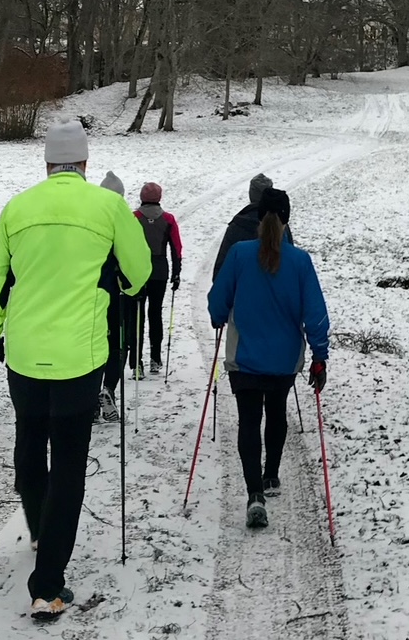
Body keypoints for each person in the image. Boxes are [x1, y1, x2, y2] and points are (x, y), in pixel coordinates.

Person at [0, 123, 150, 619]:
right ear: (85, 164)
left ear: (48, 164)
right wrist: (114, 279)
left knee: (30, 440)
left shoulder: (19, 208)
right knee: (70, 462)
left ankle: (38, 525)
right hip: (81, 358)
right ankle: (48, 585)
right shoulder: (109, 206)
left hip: (26, 356)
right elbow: (139, 276)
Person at [207, 187, 328, 530]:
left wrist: (218, 316)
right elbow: (316, 314)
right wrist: (319, 356)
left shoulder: (240, 254)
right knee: (276, 412)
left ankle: (255, 494)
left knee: (249, 420)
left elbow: (218, 300)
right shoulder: (300, 261)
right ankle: (272, 475)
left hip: (244, 357)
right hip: (283, 359)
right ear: (287, 219)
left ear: (258, 217)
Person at [130, 182, 182, 375]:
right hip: (159, 271)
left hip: (138, 272)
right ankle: (155, 358)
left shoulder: (134, 218)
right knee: (155, 314)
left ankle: (136, 363)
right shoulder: (168, 219)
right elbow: (176, 248)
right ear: (159, 197)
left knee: (137, 316)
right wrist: (177, 273)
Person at [211, 172, 294, 281]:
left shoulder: (238, 224)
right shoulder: (281, 226)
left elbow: (220, 270)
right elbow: (291, 263)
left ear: (251, 194)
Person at [96, 171, 130, 423]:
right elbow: (132, 259)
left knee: (94, 344)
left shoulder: (88, 215)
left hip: (89, 293)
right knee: (118, 345)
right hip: (116, 294)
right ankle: (109, 389)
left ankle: (92, 400)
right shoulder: (122, 219)